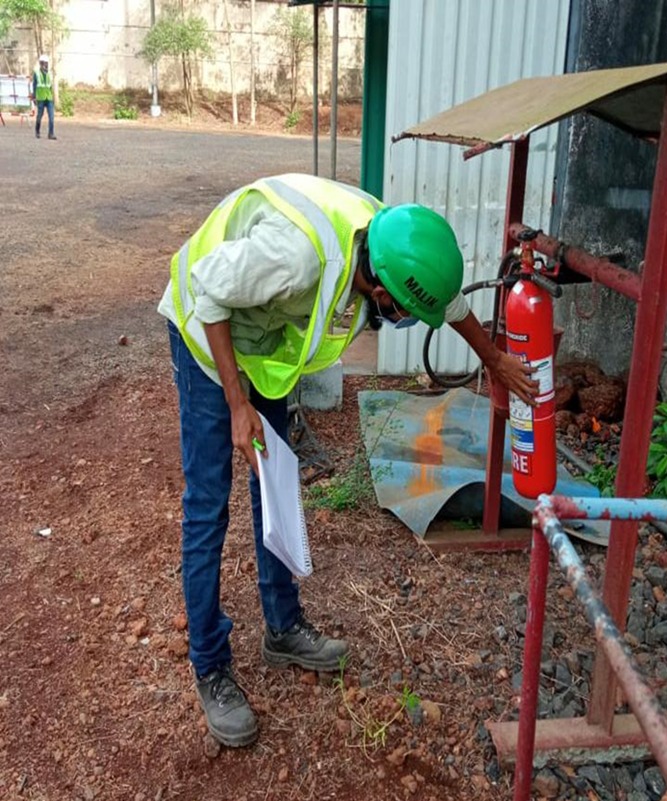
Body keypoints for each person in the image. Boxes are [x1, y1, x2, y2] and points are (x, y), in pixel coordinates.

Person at [157, 173, 537, 748]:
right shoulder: (296, 258)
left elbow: (450, 303)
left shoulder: (396, 240)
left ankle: (282, 628)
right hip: (208, 334)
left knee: (276, 487)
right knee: (209, 505)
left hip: (261, 343)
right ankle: (210, 665)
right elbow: (208, 291)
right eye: (404, 312)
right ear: (380, 289)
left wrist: (495, 360)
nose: (406, 321)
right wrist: (237, 405)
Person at [30, 55, 56, 140]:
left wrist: (53, 97)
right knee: (39, 116)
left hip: (49, 98)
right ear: (40, 64)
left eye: (46, 63)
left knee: (51, 117)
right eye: (43, 63)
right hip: (40, 98)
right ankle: (37, 131)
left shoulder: (49, 73)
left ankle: (51, 134)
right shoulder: (36, 73)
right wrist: (34, 97)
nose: (45, 65)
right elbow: (34, 85)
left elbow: (50, 86)